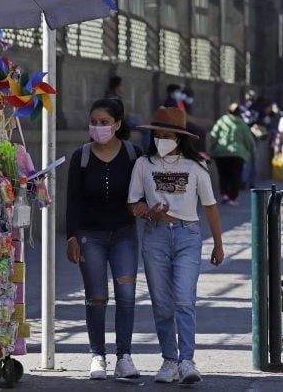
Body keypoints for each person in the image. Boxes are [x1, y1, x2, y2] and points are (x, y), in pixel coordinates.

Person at [128, 107, 225, 385]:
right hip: (155, 235)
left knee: (184, 299)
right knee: (161, 303)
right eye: (158, 135)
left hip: (187, 236)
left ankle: (187, 361)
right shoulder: (144, 165)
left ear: (180, 138)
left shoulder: (195, 167)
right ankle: (169, 359)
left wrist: (218, 244)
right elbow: (133, 202)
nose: (162, 139)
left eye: (168, 135)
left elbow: (210, 206)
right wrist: (145, 211)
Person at [66, 98, 143, 380]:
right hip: (90, 236)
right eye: (94, 122)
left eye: (104, 122)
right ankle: (97, 355)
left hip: (124, 234)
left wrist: (144, 207)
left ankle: (125, 356)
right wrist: (71, 237)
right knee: (96, 298)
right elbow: (72, 200)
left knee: (126, 296)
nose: (98, 128)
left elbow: (143, 192)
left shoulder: (134, 154)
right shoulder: (82, 156)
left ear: (118, 124)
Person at [209, 103, 255, 205]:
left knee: (223, 175)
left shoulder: (222, 121)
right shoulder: (242, 124)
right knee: (235, 176)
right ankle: (233, 198)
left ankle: (224, 194)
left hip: (221, 153)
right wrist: (251, 149)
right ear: (239, 112)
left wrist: (214, 146)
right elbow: (248, 140)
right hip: (237, 154)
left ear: (228, 111)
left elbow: (213, 135)